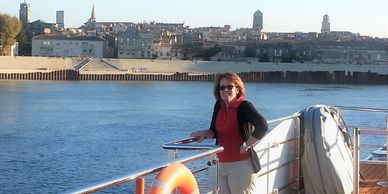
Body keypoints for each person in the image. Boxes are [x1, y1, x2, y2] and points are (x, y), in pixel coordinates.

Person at [190, 72, 268, 194]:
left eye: (229, 86)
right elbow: (214, 131)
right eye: (222, 87)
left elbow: (262, 126)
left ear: (237, 89)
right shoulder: (219, 105)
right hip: (220, 165)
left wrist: (246, 145)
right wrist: (205, 133)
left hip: (241, 166)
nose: (225, 90)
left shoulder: (244, 106)